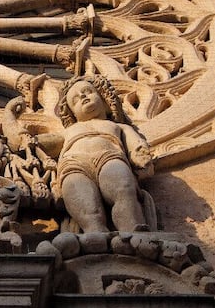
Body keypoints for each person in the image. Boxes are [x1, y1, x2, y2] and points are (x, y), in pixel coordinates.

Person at [54, 75, 153, 233]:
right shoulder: (69, 131)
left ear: (104, 98)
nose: (83, 96)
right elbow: (44, 143)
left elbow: (135, 143)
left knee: (123, 188)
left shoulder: (117, 126)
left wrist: (140, 154)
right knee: (85, 203)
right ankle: (95, 233)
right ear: (72, 113)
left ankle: (131, 229)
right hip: (74, 164)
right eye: (75, 100)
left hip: (109, 156)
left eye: (88, 91)